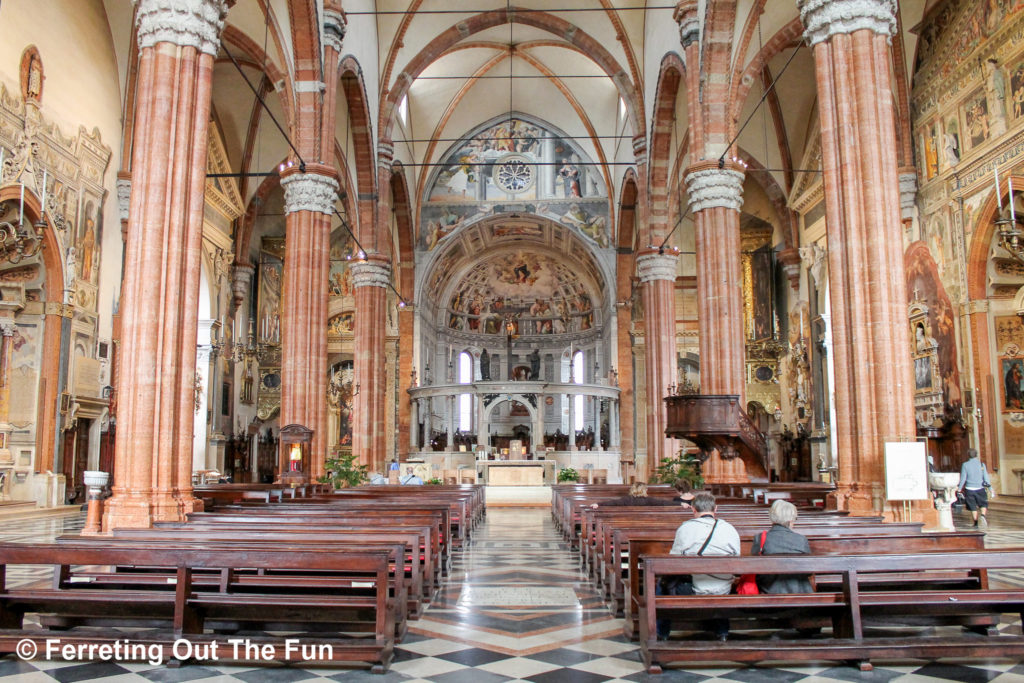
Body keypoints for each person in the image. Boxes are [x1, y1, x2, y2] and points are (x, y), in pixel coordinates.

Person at [658, 492, 740, 640]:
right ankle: (722, 632)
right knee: (720, 582)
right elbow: (737, 558)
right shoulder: (729, 529)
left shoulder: (686, 528)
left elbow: (674, 561)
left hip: (694, 589)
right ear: (716, 509)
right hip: (725, 588)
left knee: (661, 585)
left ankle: (662, 633)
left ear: (693, 509)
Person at [751, 500, 814, 595]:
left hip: (769, 590)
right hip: (799, 592)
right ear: (790, 520)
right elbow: (808, 571)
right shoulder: (801, 539)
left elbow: (753, 567)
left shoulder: (760, 538)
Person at [958, 449, 990, 528]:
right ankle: (982, 515)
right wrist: (990, 488)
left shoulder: (965, 465)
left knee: (972, 506)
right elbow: (986, 477)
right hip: (980, 488)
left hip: (969, 488)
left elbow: (963, 478)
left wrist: (959, 489)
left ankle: (975, 523)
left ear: (968, 455)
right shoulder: (982, 464)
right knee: (983, 503)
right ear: (976, 455)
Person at [590, 482, 677, 508]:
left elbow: (613, 503)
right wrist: (680, 504)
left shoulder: (627, 500)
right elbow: (663, 503)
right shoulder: (649, 500)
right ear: (644, 490)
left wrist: (598, 504)